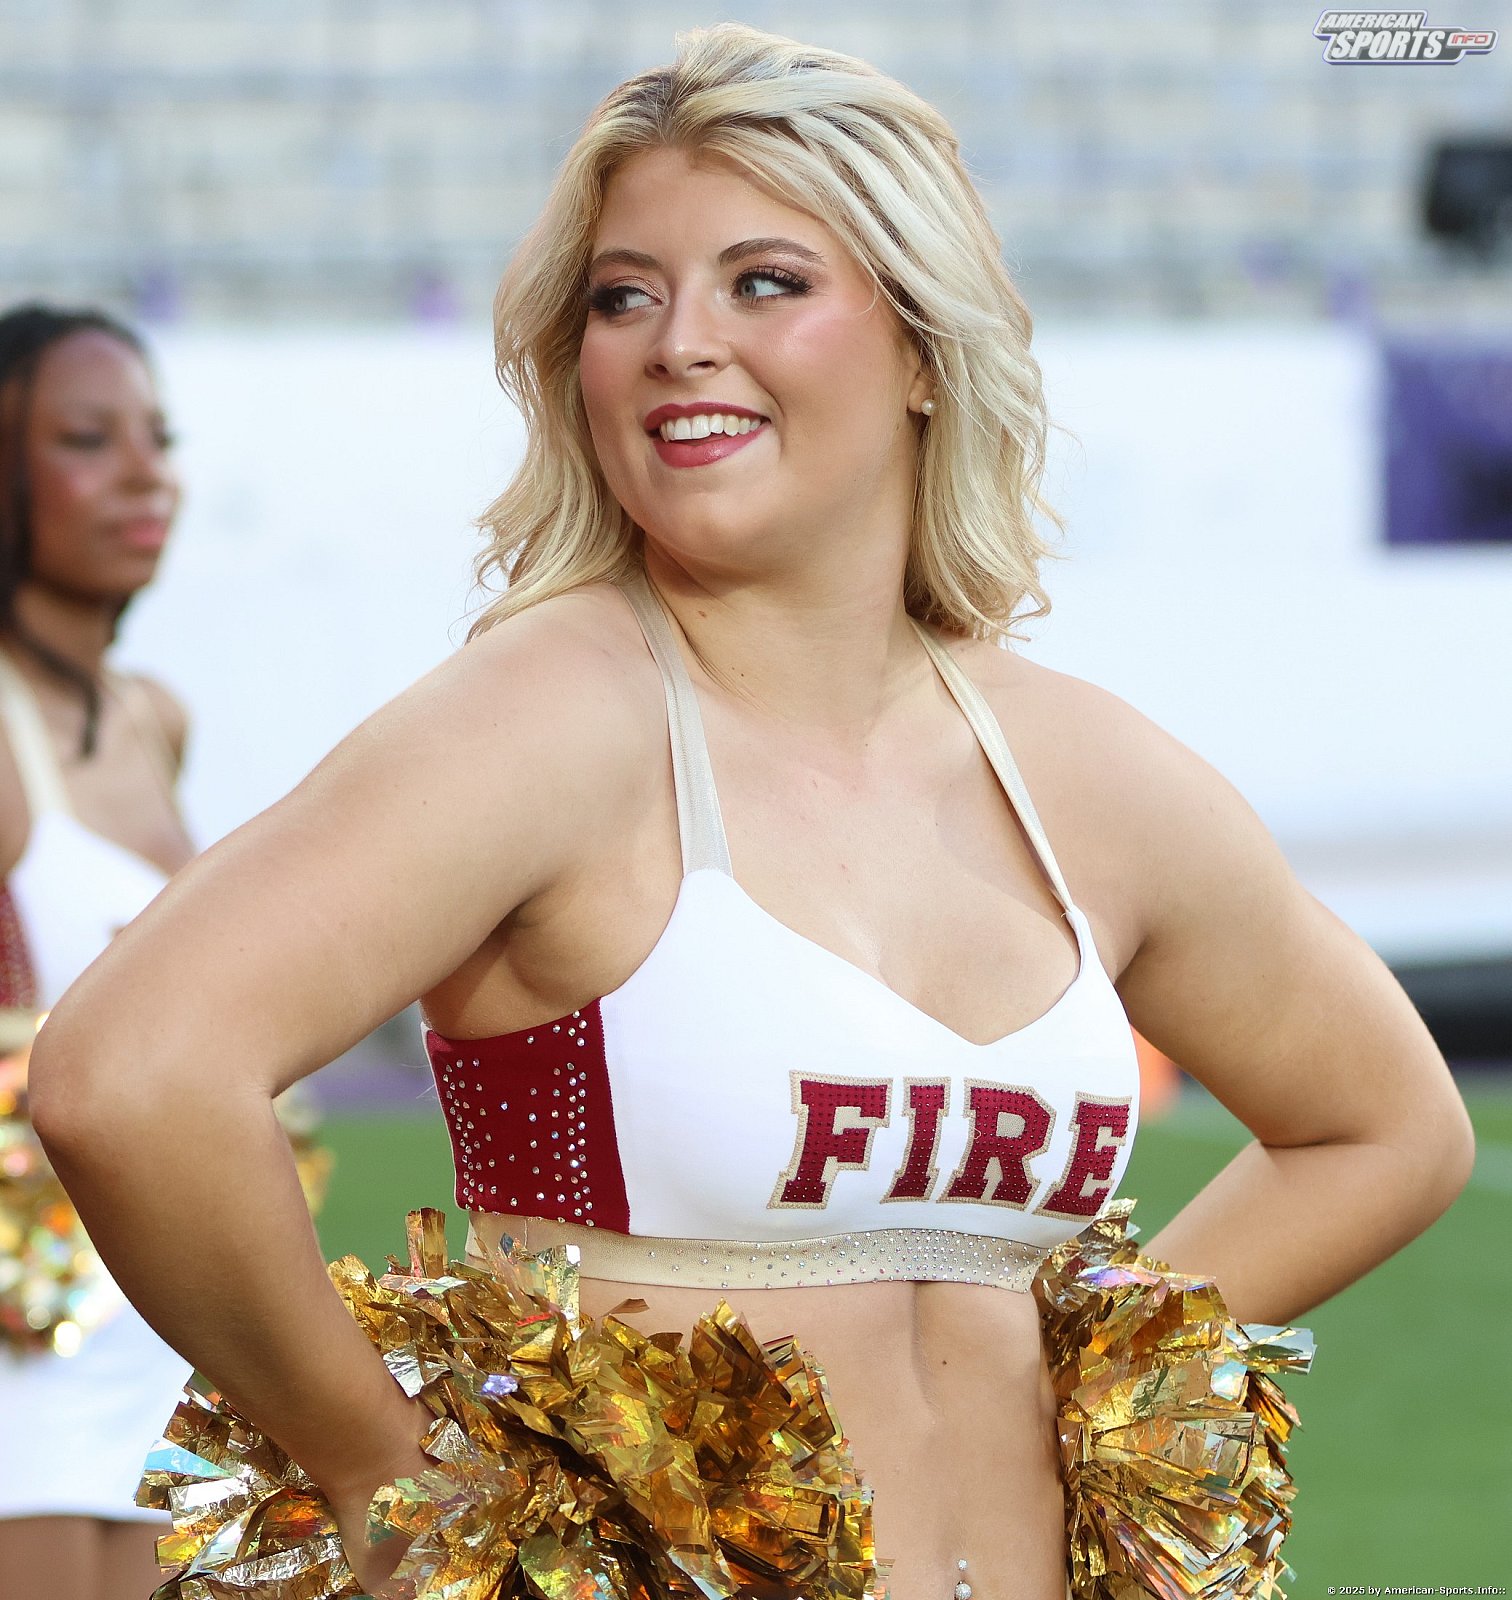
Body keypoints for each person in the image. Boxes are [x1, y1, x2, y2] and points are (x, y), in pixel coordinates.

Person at [30, 27, 1474, 1600]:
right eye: (623, 298)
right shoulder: (548, 720)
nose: (679, 343)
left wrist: (1100, 1377)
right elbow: (134, 1075)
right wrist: (387, 1476)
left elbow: (1387, 1128)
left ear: (924, 349)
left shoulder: (1080, 771)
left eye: (764, 283)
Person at [0, 303, 194, 1600]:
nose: (144, 475)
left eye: (157, 439)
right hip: (23, 1350)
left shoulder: (153, 718)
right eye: (86, 440)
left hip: (157, 1327)